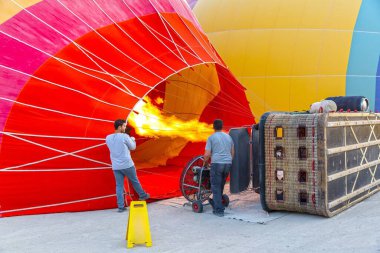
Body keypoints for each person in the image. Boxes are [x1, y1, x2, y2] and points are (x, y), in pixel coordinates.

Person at [106, 119, 149, 212]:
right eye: (124, 126)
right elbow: (133, 147)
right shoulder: (124, 136)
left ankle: (121, 207)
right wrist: (132, 139)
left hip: (116, 166)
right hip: (127, 164)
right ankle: (143, 195)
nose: (125, 128)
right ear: (120, 127)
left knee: (119, 186)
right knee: (134, 181)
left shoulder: (108, 137)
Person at [203, 119, 234, 217]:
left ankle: (219, 210)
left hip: (217, 164)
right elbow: (232, 152)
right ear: (222, 126)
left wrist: (205, 164)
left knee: (215, 187)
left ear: (213, 127)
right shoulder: (229, 137)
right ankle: (216, 202)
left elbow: (207, 154)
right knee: (220, 185)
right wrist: (228, 161)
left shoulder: (211, 138)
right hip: (227, 163)